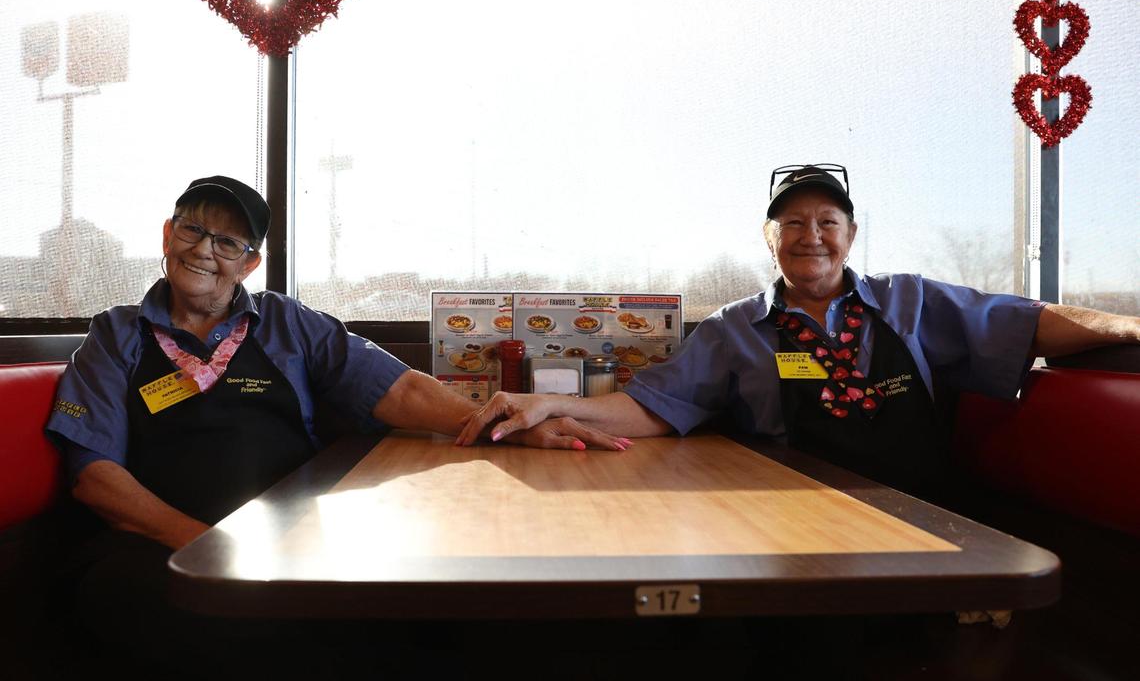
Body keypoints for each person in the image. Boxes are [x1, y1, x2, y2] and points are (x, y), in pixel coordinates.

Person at [43, 175, 621, 676]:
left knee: (427, 610)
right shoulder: (114, 335)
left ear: (249, 263)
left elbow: (399, 388)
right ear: (168, 236)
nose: (203, 250)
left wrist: (502, 423)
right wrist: (208, 545)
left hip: (288, 539)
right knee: (132, 600)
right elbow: (95, 478)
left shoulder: (286, 322)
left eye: (227, 241)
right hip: (160, 544)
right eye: (192, 230)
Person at [458, 163, 1140, 500]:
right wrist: (551, 403)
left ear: (850, 235)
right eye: (792, 223)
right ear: (770, 239)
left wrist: (1129, 326)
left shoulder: (911, 300)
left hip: (926, 509)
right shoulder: (733, 328)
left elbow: (1027, 322)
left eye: (826, 222)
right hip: (794, 508)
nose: (811, 236)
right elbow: (655, 404)